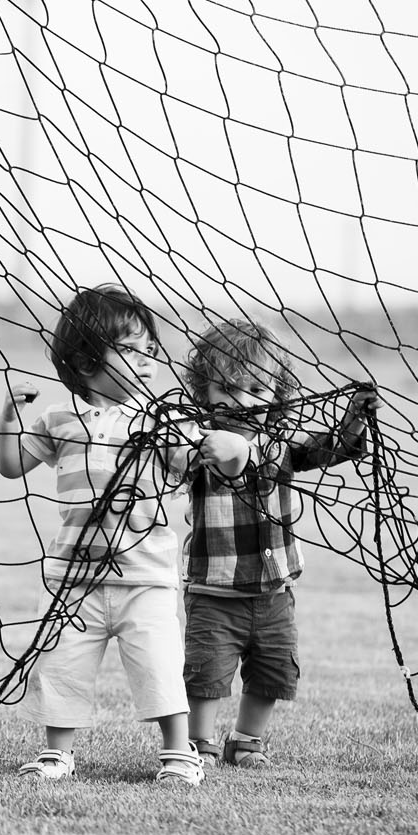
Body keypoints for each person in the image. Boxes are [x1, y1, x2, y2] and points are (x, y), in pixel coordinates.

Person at [0, 284, 203, 787]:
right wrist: (7, 418)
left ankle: (179, 754)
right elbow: (10, 467)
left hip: (145, 575)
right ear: (88, 363)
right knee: (63, 667)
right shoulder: (59, 421)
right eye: (131, 350)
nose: (148, 361)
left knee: (158, 665)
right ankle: (56, 754)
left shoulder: (163, 419)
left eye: (151, 350)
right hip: (75, 578)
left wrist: (213, 445)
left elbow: (195, 462)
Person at [167, 319, 379, 770]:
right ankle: (199, 743)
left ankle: (246, 741)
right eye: (227, 388)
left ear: (277, 394)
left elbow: (328, 449)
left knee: (273, 671)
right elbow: (177, 461)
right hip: (214, 594)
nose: (242, 401)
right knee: (205, 674)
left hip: (275, 593)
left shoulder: (280, 443)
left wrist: (355, 420)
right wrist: (200, 448)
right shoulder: (199, 445)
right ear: (203, 393)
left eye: (256, 390)